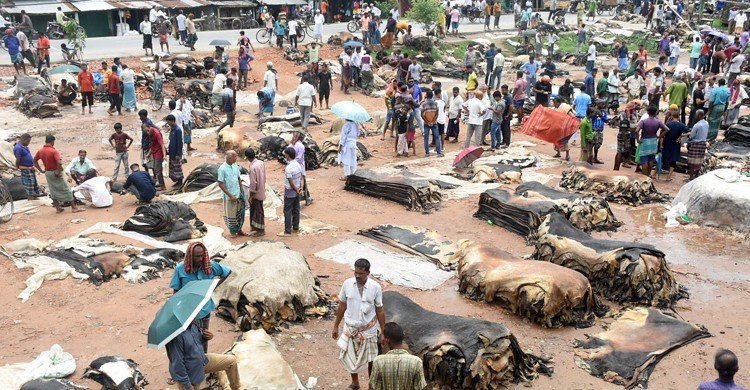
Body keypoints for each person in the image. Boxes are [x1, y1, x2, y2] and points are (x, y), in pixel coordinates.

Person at [332, 258, 386, 390]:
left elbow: (380, 310)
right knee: (350, 356)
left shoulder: (375, 287)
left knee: (371, 359)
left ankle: (371, 384)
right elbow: (342, 306)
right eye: (355, 272)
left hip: (369, 330)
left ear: (368, 272)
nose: (357, 276)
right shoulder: (347, 284)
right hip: (350, 328)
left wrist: (383, 332)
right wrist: (335, 326)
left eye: (361, 273)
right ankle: (355, 383)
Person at [165, 311, 241, 390]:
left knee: (231, 361)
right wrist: (188, 386)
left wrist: (207, 337)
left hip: (202, 361)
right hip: (190, 373)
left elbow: (196, 343)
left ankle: (236, 388)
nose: (196, 317)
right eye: (193, 315)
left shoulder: (193, 325)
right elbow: (177, 365)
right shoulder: (175, 337)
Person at [369, 322, 427, 390]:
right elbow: (420, 388)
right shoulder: (416, 362)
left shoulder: (378, 361)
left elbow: (374, 387)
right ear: (402, 338)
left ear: (387, 341)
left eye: (383, 338)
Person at [34, 135, 83, 214]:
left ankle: (58, 208)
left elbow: (34, 160)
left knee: (53, 191)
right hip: (55, 172)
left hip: (48, 173)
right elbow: (59, 162)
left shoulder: (40, 151)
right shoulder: (53, 151)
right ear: (52, 141)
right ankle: (74, 208)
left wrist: (40, 170)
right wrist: (58, 171)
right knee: (66, 189)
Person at [216, 150, 245, 237]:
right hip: (229, 196)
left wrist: (241, 189)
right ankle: (233, 232)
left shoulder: (235, 166)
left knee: (240, 212)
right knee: (231, 214)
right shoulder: (222, 169)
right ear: (230, 157)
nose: (236, 158)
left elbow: (238, 177)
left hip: (237, 193)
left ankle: (239, 229)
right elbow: (220, 183)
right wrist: (231, 195)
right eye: (235, 156)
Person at [636, 105, 668, 177]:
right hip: (653, 141)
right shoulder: (658, 122)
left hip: (645, 141)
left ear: (647, 112)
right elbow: (667, 129)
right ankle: (648, 175)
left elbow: (637, 130)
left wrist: (638, 140)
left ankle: (644, 176)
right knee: (651, 159)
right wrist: (659, 136)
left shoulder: (643, 121)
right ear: (655, 113)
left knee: (644, 160)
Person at [279, 147, 302, 237]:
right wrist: (299, 188)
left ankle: (287, 231)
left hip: (290, 190)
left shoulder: (289, 168)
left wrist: (295, 188)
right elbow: (301, 177)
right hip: (297, 189)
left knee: (287, 210)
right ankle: (296, 227)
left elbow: (290, 181)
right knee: (296, 209)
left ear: (288, 155)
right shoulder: (298, 164)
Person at [13, 134, 43, 200]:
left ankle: (34, 198)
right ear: (23, 140)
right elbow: (18, 160)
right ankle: (30, 200)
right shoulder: (18, 148)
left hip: (30, 168)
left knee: (33, 184)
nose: (28, 143)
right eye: (28, 141)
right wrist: (20, 167)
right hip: (26, 169)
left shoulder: (24, 146)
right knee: (29, 186)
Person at [244, 148, 266, 236]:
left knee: (257, 210)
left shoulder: (253, 167)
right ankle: (256, 227)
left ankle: (261, 230)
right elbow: (264, 176)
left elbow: (253, 183)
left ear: (248, 158)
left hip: (256, 193)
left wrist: (251, 195)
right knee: (258, 209)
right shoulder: (261, 163)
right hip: (261, 189)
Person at [661, 111, 688, 181]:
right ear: (678, 117)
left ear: (671, 117)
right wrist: (680, 136)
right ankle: (669, 177)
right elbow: (687, 132)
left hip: (667, 143)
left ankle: (654, 174)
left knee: (663, 158)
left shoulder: (668, 124)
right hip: (675, 144)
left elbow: (662, 135)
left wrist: (661, 144)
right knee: (673, 161)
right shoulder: (682, 125)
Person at [291, 131, 313, 206]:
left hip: (291, 167)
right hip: (299, 167)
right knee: (302, 184)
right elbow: (299, 158)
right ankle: (301, 199)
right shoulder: (301, 146)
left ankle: (307, 198)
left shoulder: (291, 145)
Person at [420, 90, 443, 157]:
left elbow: (422, 115)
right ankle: (439, 152)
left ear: (426, 95)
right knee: (437, 137)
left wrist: (427, 122)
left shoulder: (424, 104)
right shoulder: (435, 103)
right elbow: (437, 114)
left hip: (426, 123)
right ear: (432, 95)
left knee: (426, 138)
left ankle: (427, 153)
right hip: (434, 123)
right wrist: (433, 121)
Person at [145, 123, 166, 190]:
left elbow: (162, 145)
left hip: (159, 153)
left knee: (158, 170)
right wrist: (148, 154)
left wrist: (164, 155)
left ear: (150, 127)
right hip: (154, 152)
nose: (148, 133)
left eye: (148, 131)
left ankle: (163, 186)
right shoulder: (151, 134)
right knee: (156, 168)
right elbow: (152, 145)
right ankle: (160, 183)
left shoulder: (157, 133)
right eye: (146, 132)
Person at [166, 115, 184, 187]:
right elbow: (171, 141)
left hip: (176, 153)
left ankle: (180, 182)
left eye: (169, 122)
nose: (168, 124)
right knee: (173, 167)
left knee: (177, 168)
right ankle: (177, 181)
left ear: (173, 121)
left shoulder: (178, 130)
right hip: (172, 152)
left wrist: (178, 154)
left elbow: (180, 143)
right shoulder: (172, 129)